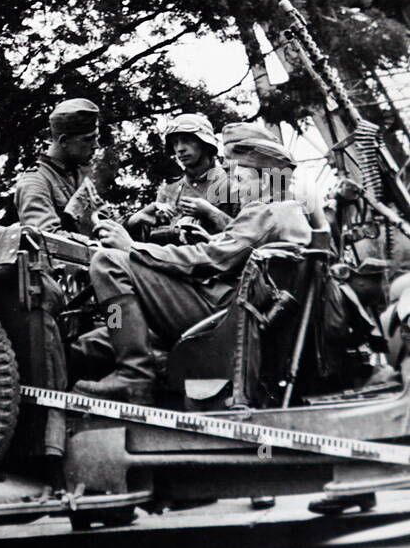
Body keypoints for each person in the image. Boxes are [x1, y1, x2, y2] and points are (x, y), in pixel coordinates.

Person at [75, 126, 313, 400]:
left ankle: (134, 374)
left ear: (267, 180)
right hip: (235, 309)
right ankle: (129, 355)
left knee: (108, 263)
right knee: (99, 339)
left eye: (241, 179)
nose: (234, 187)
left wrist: (133, 247)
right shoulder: (288, 212)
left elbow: (210, 260)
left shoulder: (266, 211)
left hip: (222, 312)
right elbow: (228, 250)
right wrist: (212, 239)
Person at [127, 112, 235, 241]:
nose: (180, 149)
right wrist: (136, 220)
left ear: (205, 143)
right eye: (175, 143)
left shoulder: (232, 184)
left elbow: (252, 237)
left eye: (187, 140)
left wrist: (211, 213)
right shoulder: (169, 190)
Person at [15, 98, 101, 236]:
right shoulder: (35, 182)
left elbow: (104, 225)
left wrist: (132, 222)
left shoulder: (80, 176)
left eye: (96, 138)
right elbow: (47, 239)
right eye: (88, 139)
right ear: (64, 141)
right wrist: (100, 246)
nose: (96, 145)